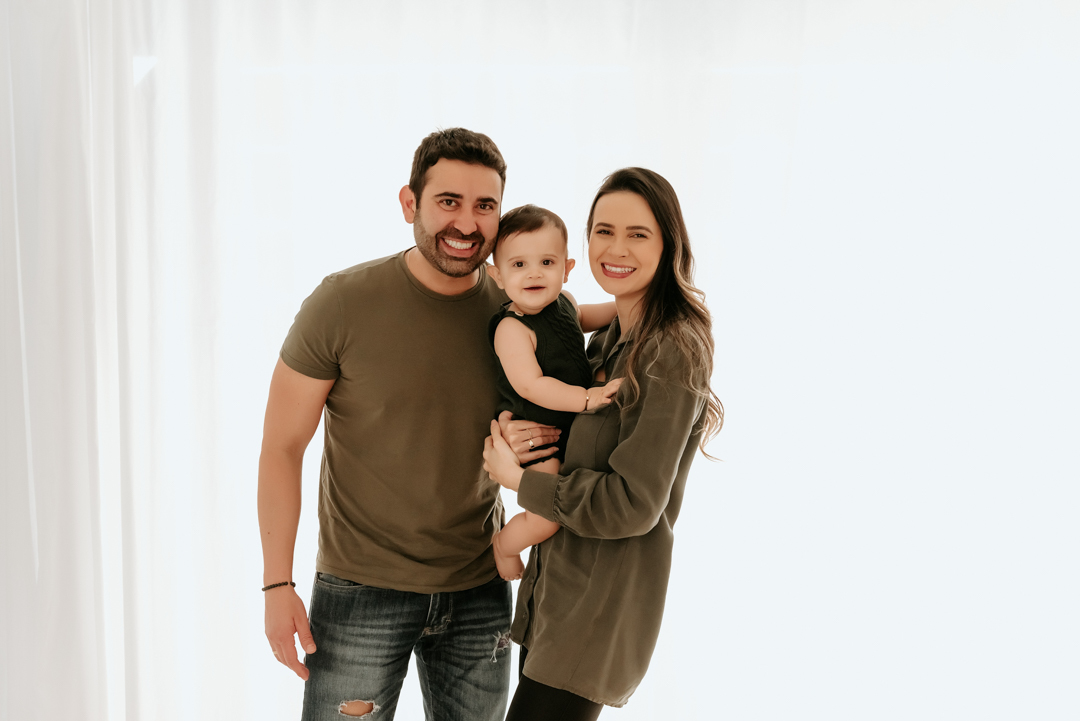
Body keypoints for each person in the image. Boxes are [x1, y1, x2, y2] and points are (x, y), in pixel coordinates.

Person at [257, 128, 557, 721]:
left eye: (485, 205)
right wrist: (275, 585)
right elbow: (282, 445)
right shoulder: (341, 303)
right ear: (409, 203)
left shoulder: (520, 310)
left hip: (480, 588)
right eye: (448, 201)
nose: (466, 223)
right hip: (360, 592)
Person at [483, 168, 724, 719]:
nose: (616, 249)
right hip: (554, 596)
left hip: (595, 609)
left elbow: (634, 504)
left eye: (638, 234)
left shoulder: (670, 349)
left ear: (668, 244)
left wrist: (520, 481)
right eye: (603, 231)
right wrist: (518, 433)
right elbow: (563, 426)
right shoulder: (604, 337)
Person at [483, 204, 621, 581]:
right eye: (519, 264)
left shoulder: (565, 303)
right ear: (497, 275)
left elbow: (586, 317)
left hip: (570, 425)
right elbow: (531, 385)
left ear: (566, 268)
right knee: (545, 519)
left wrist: (624, 306)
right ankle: (504, 546)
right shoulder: (511, 328)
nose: (534, 273)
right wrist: (587, 399)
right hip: (539, 430)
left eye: (546, 262)